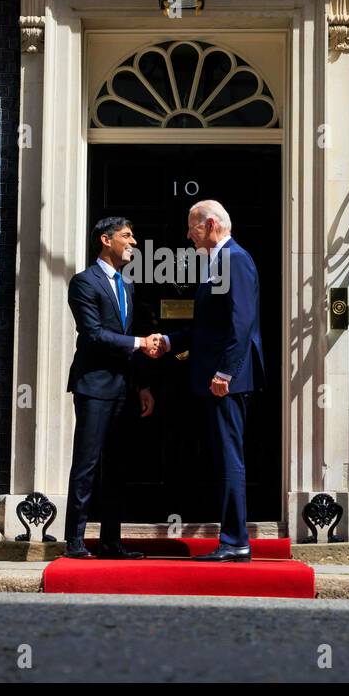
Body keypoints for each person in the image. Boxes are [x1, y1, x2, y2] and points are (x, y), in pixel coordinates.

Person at [148, 199, 264, 562]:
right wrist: (170, 341)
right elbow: (207, 326)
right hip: (218, 376)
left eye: (192, 226)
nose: (187, 234)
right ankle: (233, 538)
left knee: (230, 458)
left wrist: (226, 372)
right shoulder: (218, 263)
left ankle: (235, 541)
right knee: (222, 457)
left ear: (211, 224)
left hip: (227, 380)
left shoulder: (235, 259)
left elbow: (241, 322)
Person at [63, 216, 163, 560]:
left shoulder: (127, 286)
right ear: (106, 240)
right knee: (87, 464)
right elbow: (93, 334)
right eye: (127, 235)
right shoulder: (83, 282)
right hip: (93, 386)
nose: (133, 241)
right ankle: (74, 541)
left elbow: (126, 340)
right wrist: (139, 341)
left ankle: (110, 541)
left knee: (117, 467)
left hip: (122, 388)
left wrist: (142, 386)